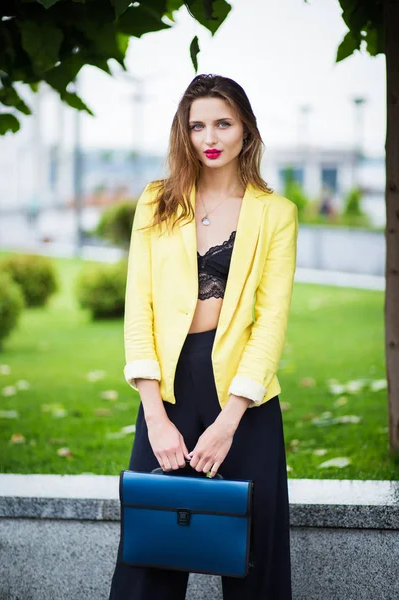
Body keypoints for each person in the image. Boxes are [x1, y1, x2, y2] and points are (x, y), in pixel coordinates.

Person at [108, 73, 298, 600]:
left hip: (245, 396)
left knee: (254, 559)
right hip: (167, 389)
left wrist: (228, 421)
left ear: (246, 131)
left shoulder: (277, 215)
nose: (209, 137)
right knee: (151, 554)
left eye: (223, 123)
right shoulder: (156, 202)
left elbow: (270, 322)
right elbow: (137, 311)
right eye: (196, 126)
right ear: (183, 133)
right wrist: (155, 419)